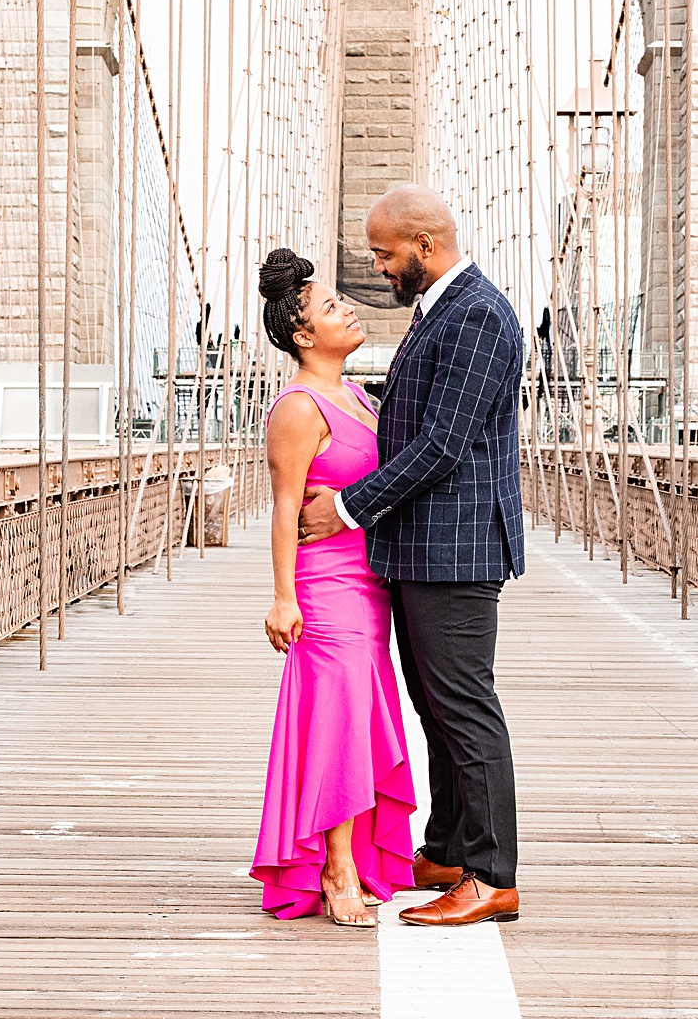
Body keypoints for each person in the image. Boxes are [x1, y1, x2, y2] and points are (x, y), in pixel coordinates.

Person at [299, 185, 525, 927]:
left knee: (465, 707)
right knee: (436, 705)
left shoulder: (480, 316)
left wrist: (347, 505)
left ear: (424, 247)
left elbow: (442, 444)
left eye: (384, 253)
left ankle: (491, 875)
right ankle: (451, 849)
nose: (377, 267)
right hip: (425, 548)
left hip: (457, 551)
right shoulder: (442, 313)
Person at [250, 248, 415, 926]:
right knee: (339, 723)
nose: (347, 307)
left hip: (369, 586)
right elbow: (286, 505)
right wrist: (283, 596)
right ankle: (338, 866)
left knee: (358, 721)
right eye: (329, 306)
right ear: (302, 336)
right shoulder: (298, 406)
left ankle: (345, 855)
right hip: (324, 590)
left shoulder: (359, 397)